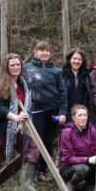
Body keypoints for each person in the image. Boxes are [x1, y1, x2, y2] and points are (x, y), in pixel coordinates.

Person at [0, 54, 39, 191]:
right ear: (6, 67)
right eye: (12, 65)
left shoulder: (22, 82)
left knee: (32, 149)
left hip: (17, 127)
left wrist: (22, 116)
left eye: (18, 65)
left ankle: (26, 184)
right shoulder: (0, 83)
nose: (16, 67)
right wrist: (14, 117)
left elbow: (24, 102)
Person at [24, 41, 67, 182]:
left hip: (52, 111)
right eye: (42, 50)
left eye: (47, 51)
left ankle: (42, 171)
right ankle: (31, 173)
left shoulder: (55, 71)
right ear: (35, 52)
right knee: (35, 141)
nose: (45, 53)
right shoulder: (26, 69)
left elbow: (62, 93)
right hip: (34, 112)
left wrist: (62, 112)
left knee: (48, 141)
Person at [59, 105, 96, 191]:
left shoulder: (92, 130)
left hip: (88, 164)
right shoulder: (67, 132)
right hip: (68, 167)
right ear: (73, 118)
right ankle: (71, 183)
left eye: (85, 115)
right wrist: (87, 160)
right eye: (80, 115)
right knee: (83, 169)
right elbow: (68, 158)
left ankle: (89, 185)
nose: (83, 118)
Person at [62, 48, 93, 121]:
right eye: (74, 58)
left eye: (79, 59)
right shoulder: (62, 74)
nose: (76, 61)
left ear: (82, 61)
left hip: (82, 113)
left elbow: (89, 95)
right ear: (70, 59)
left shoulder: (86, 75)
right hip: (66, 112)